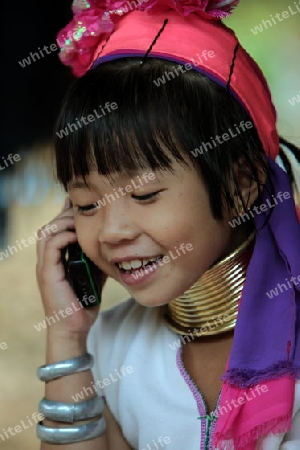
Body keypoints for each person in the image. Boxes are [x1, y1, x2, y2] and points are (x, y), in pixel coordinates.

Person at [35, 0, 300, 448]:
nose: (112, 231)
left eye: (144, 195)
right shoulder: (108, 346)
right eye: (85, 204)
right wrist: (67, 335)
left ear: (242, 184)